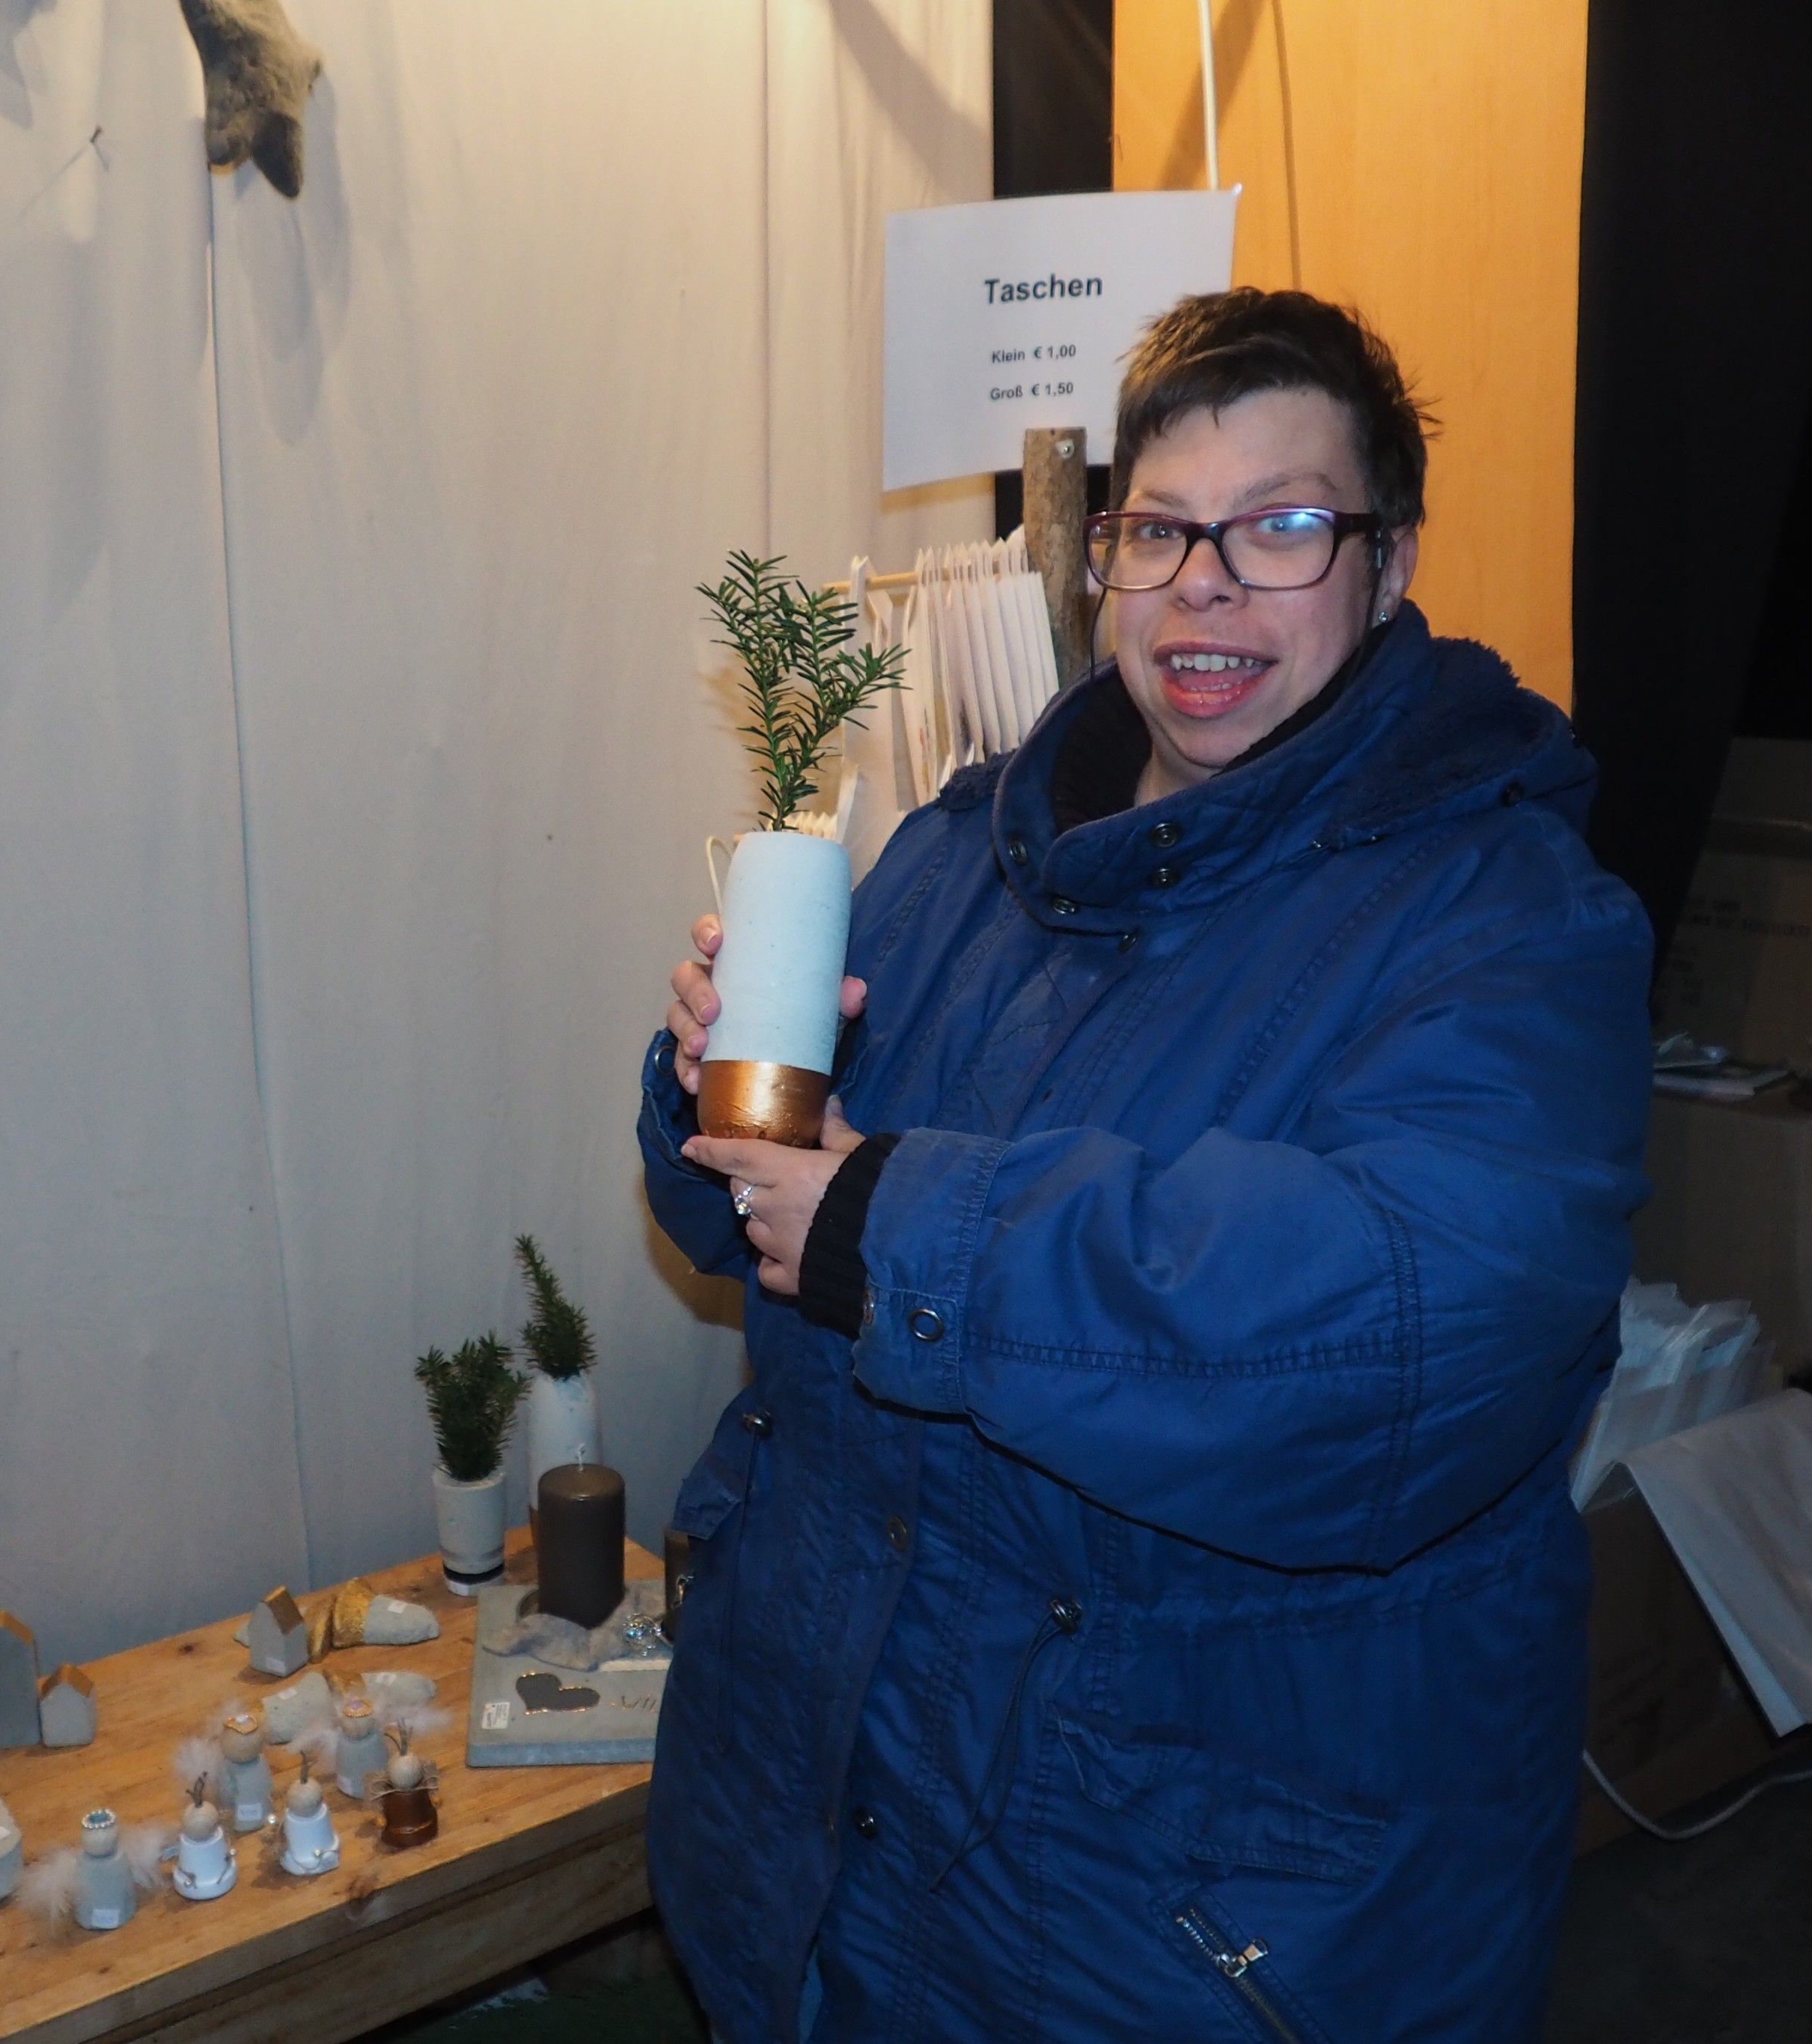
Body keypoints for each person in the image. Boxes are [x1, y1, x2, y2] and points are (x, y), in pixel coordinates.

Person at [638, 289, 1651, 2041]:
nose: (1205, 584)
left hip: (1169, 1914)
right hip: (827, 1838)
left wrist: (895, 1220)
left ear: (1388, 564)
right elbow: (748, 1227)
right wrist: (718, 1090)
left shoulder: (1508, 924)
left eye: (1280, 529)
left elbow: (1406, 1331)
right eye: (1159, 531)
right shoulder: (967, 852)